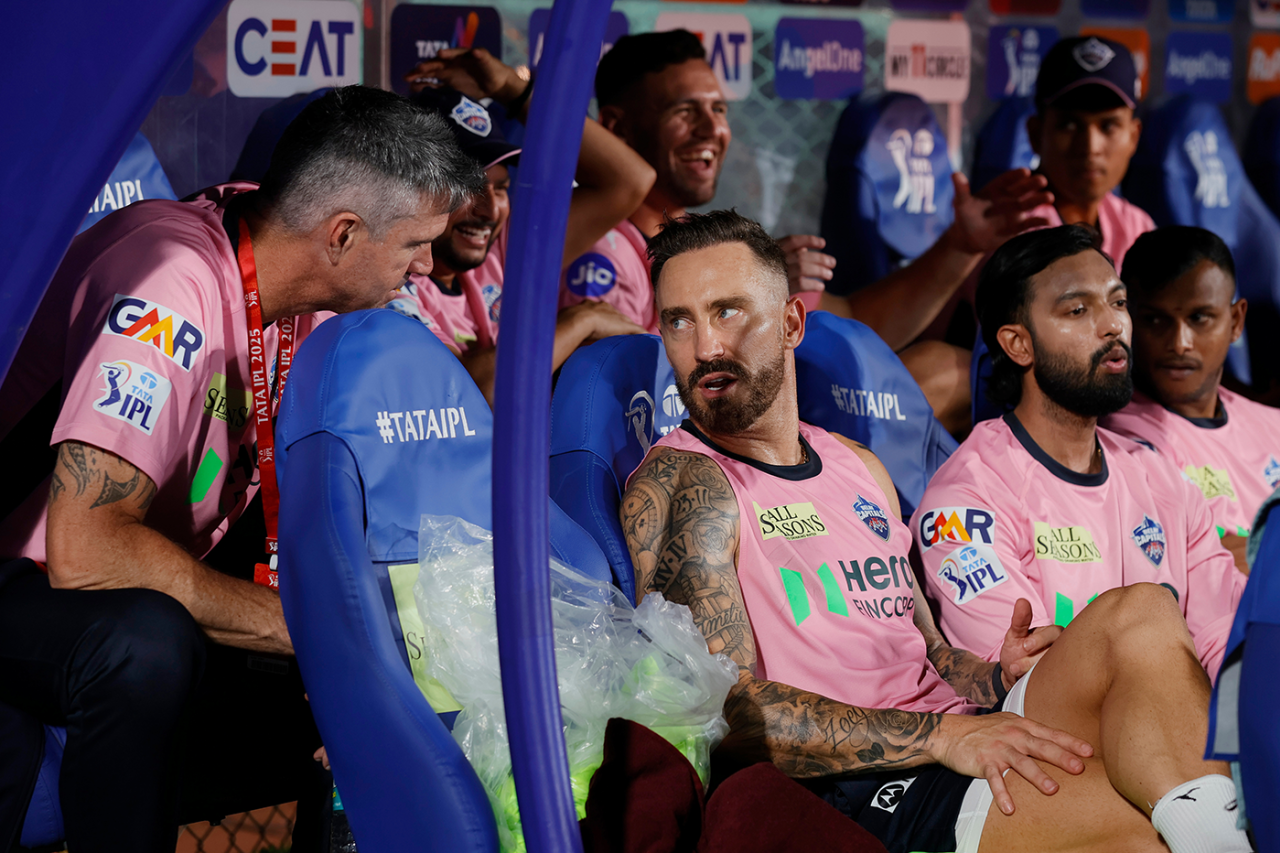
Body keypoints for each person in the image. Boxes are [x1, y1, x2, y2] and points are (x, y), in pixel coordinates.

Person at [620, 209, 1250, 853]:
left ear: (790, 323)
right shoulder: (686, 485)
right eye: (679, 321)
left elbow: (927, 654)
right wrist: (941, 739)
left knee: (1143, 612)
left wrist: (998, 680)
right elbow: (721, 712)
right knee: (1141, 832)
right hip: (866, 778)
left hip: (961, 727)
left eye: (727, 312)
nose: (705, 348)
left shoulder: (856, 466)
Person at [0, 86, 483, 853]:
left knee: (385, 662)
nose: (427, 268)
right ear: (344, 234)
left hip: (125, 571)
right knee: (145, 642)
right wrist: (302, 628)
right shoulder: (170, 281)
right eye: (414, 245)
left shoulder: (302, 291)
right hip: (24, 576)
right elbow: (86, 553)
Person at [913, 225, 1244, 678]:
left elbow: (1225, 636)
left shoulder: (1161, 478)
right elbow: (1038, 682)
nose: (1113, 324)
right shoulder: (964, 503)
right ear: (1019, 344)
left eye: (1119, 302)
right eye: (1077, 309)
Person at [824, 36, 1154, 432]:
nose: (1090, 146)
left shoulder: (1139, 226)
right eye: (1069, 124)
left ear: (1134, 136)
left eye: (1108, 126)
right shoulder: (1005, 222)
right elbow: (918, 352)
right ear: (1035, 132)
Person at [400, 51, 653, 403]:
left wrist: (511, 89)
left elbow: (629, 180)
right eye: (469, 187)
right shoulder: (389, 276)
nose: (489, 210)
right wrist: (579, 321)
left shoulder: (500, 251)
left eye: (501, 188)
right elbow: (466, 395)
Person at [560, 30, 838, 333]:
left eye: (718, 109)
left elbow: (851, 320)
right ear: (618, 127)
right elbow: (623, 377)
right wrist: (750, 284)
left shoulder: (699, 237)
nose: (711, 129)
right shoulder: (605, 253)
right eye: (684, 111)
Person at [1101, 227, 1280, 571]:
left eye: (1199, 318)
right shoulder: (1115, 441)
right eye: (1155, 320)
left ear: (1236, 321)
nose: (1180, 343)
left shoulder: (1273, 425)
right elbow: (1200, 570)